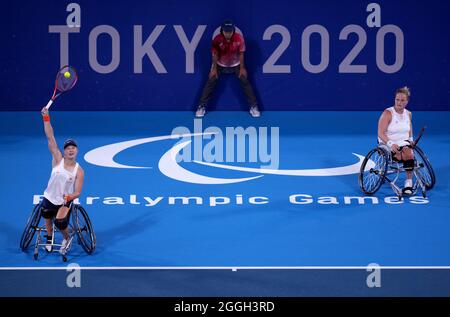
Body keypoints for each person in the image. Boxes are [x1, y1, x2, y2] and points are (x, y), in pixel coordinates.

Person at [40, 107, 85, 254]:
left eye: (73, 148)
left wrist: (70, 197)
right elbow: (50, 137)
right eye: (68, 148)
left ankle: (66, 238)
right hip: (49, 196)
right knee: (46, 213)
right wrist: (46, 118)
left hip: (65, 200)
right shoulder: (57, 159)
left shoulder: (79, 170)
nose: (70, 150)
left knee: (60, 222)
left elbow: (77, 192)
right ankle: (49, 236)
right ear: (64, 151)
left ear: (77, 151)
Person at [195, 20, 260, 118]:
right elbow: (215, 54)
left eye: (230, 31)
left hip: (236, 64)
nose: (228, 34)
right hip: (220, 64)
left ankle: (254, 107)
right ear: (222, 30)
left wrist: (242, 68)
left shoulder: (239, 38)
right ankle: (201, 107)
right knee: (211, 80)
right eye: (226, 31)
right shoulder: (217, 39)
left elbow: (241, 53)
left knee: (244, 80)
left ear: (233, 30)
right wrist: (214, 68)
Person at [378, 86, 415, 194]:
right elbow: (380, 133)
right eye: (397, 99)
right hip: (387, 142)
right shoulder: (387, 113)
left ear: (407, 102)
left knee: (409, 154)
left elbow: (409, 127)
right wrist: (391, 143)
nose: (399, 102)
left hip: (403, 142)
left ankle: (408, 182)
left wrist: (411, 140)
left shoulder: (409, 114)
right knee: (401, 155)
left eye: (402, 100)